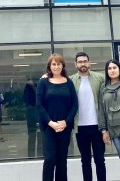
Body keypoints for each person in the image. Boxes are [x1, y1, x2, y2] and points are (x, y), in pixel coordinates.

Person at [36, 53, 78, 181]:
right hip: (49, 128)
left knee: (62, 161)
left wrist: (66, 122)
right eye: (53, 64)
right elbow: (39, 106)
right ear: (49, 66)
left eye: (58, 64)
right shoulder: (43, 82)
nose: (56, 67)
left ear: (62, 65)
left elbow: (75, 105)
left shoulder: (69, 82)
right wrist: (51, 123)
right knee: (50, 159)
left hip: (64, 128)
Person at [70, 52, 106, 181]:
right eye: (80, 61)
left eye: (85, 61)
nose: (83, 64)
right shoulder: (71, 80)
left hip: (98, 126)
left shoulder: (100, 78)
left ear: (89, 63)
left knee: (100, 160)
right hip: (80, 127)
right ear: (75, 64)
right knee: (85, 160)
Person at [24, 79, 42, 157]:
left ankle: (38, 154)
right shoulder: (28, 89)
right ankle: (31, 155)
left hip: (37, 113)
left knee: (39, 136)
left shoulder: (39, 88)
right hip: (32, 114)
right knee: (32, 136)